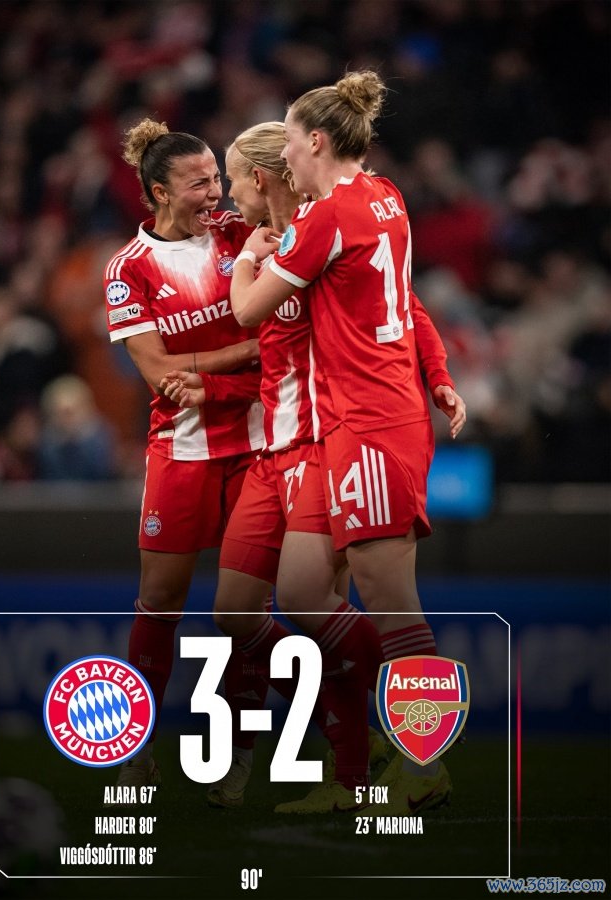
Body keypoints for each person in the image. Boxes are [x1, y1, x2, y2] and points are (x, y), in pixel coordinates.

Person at [163, 120, 465, 812]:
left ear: (261, 176)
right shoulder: (268, 240)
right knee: (236, 610)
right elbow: (263, 352)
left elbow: (400, 302)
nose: (225, 195)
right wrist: (213, 386)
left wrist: (437, 373)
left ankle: (367, 761)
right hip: (273, 449)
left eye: (231, 179)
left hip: (329, 442)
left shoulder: (314, 234)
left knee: (331, 599)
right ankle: (371, 737)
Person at [102, 118, 269, 791]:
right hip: (182, 445)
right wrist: (245, 347)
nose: (215, 192)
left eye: (216, 178)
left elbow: (190, 362)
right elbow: (157, 373)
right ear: (160, 193)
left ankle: (239, 752)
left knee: (246, 609)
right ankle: (133, 744)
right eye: (199, 183)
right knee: (159, 600)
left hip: (259, 440)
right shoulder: (128, 270)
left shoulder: (239, 233)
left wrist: (200, 363)